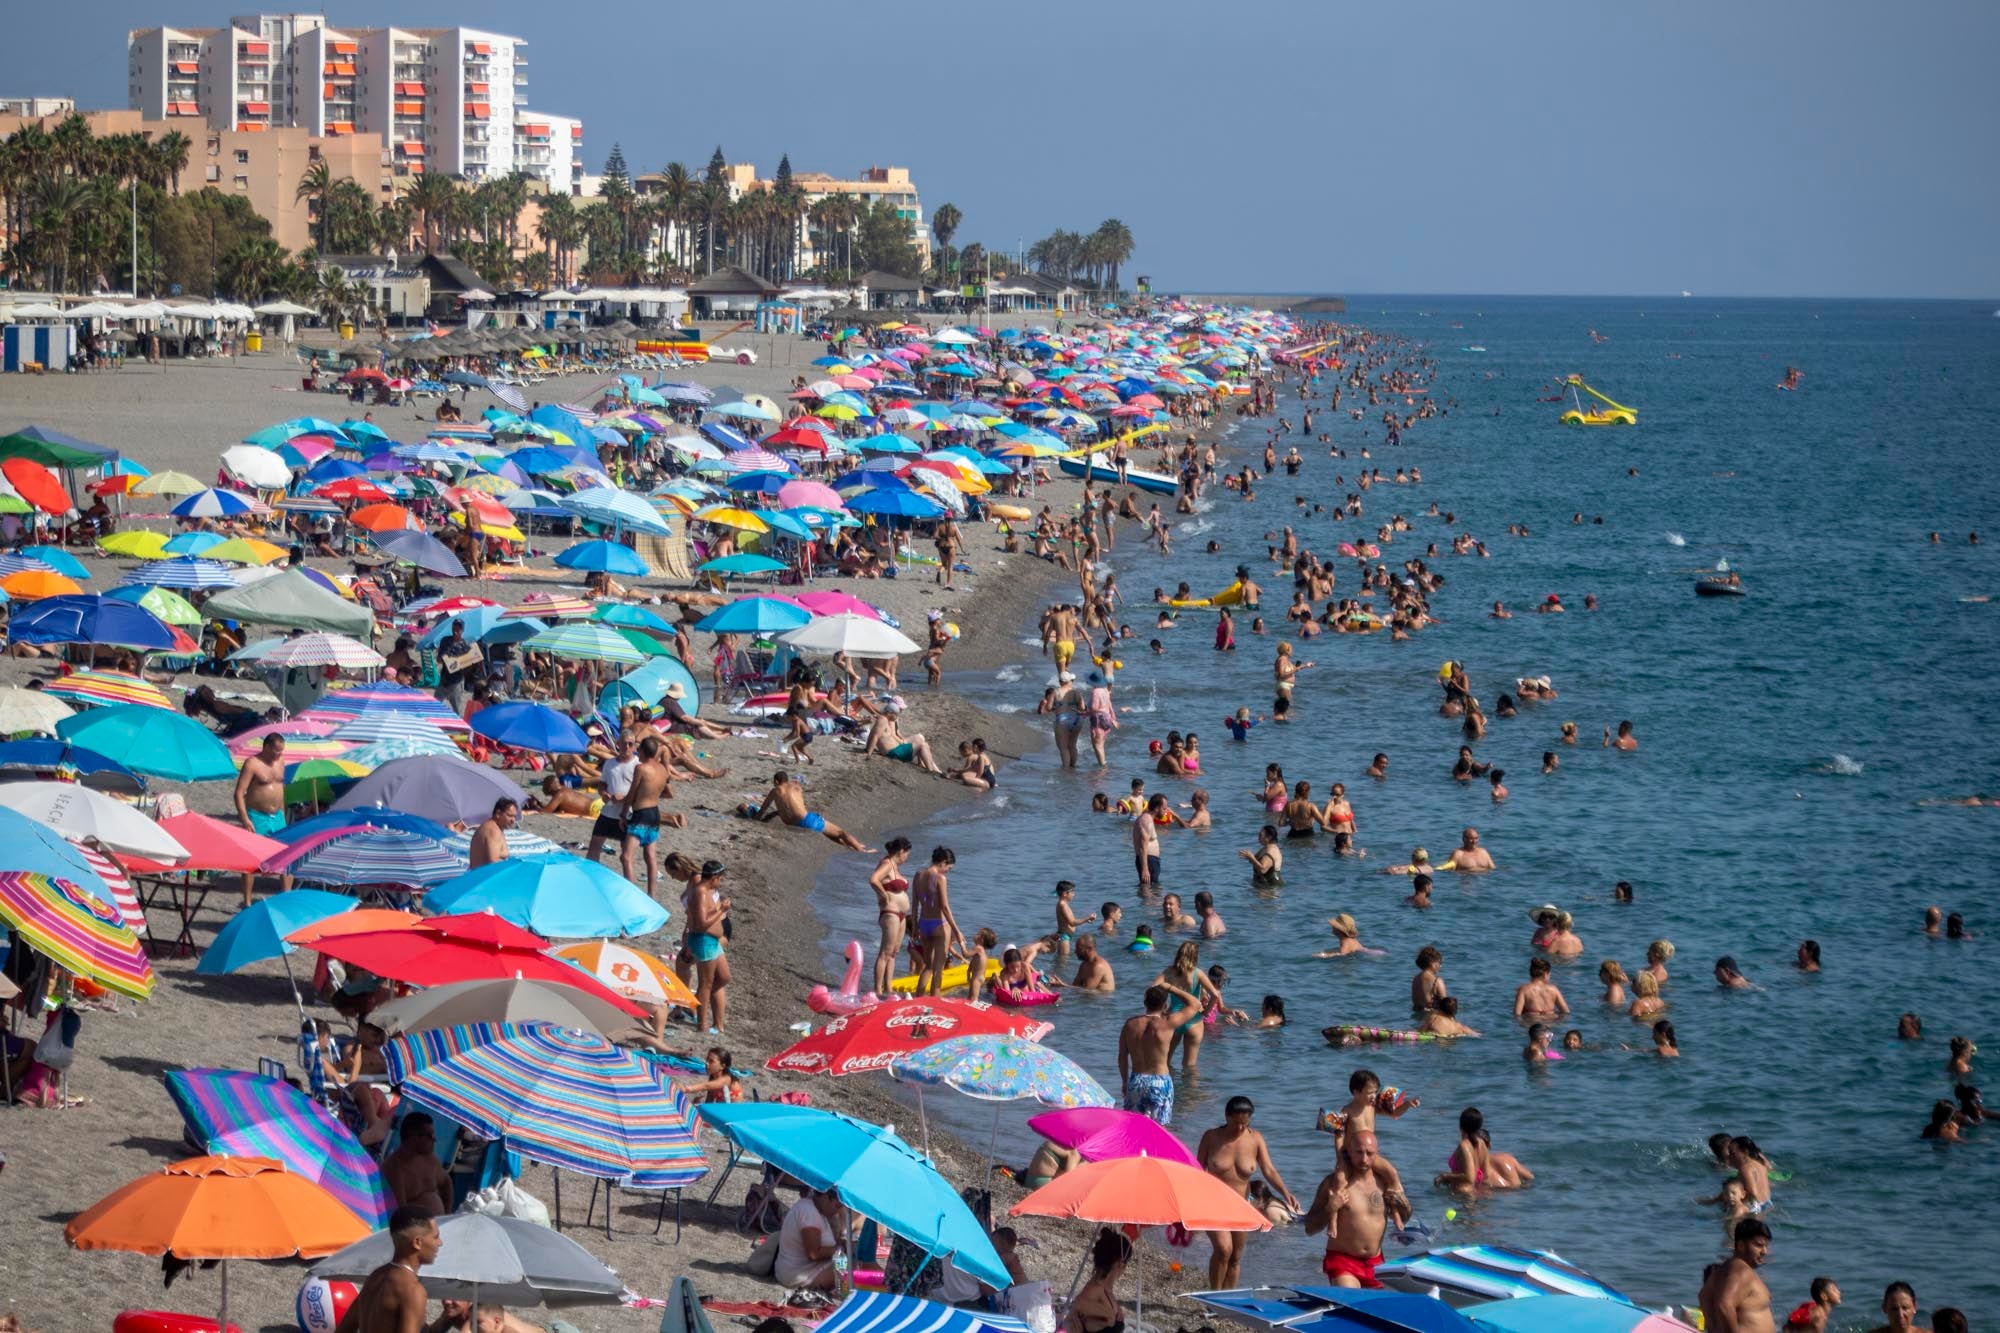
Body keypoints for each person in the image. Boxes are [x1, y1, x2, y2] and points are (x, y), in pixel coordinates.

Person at [1197, 1096, 1300, 1288]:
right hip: (1214, 1204)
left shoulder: (1255, 1139)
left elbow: (1269, 1170)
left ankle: (1227, 1300)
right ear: (1226, 1117)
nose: (1240, 1128)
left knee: (1235, 1257)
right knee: (1223, 1250)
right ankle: (1213, 1296)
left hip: (1242, 1205)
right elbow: (1198, 1168)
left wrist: (1286, 1193)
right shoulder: (1211, 1137)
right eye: (1236, 1122)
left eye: (1245, 1123)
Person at [1303, 1129, 1411, 1289]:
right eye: (1359, 1153)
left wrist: (1400, 1205)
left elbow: (1406, 1215)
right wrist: (1330, 1208)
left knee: (1377, 1310)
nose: (1364, 1159)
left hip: (1375, 1263)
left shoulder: (1384, 1183)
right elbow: (1309, 1228)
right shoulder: (1333, 1184)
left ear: (1377, 1154)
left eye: (1369, 1153)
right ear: (1349, 1153)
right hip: (1343, 1262)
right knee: (1351, 1302)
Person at [332, 1207, 440, 1333]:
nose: (440, 1243)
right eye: (435, 1237)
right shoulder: (413, 1291)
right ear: (417, 1242)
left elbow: (343, 1329)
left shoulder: (375, 1276)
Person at [755, 770, 872, 852]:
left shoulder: (774, 791)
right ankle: (860, 849)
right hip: (806, 820)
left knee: (830, 834)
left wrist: (757, 817)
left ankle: (853, 847)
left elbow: (762, 810)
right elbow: (798, 803)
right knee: (840, 832)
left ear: (776, 781)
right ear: (787, 780)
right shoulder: (796, 787)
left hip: (792, 823)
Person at [232, 732, 287, 907]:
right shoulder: (252, 764)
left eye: (281, 751)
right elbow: (239, 793)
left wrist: (284, 814)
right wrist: (245, 818)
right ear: (266, 747)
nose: (278, 755)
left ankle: (287, 898)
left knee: (287, 856)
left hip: (277, 816)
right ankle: (247, 902)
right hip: (257, 815)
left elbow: (281, 789)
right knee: (251, 859)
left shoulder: (281, 762)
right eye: (275, 751)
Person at [1118, 985, 1179, 1124]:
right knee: (1159, 1130)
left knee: (1133, 1127)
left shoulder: (1130, 1024)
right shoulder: (1167, 1024)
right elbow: (1195, 1004)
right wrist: (1170, 987)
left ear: (1145, 1003)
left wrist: (1125, 1082)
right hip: (1160, 1081)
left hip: (1137, 1080)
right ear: (1165, 1005)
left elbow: (1122, 1057)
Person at [685, 860, 731, 1034]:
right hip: (703, 940)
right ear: (714, 877)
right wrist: (722, 910)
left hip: (712, 941)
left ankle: (700, 1005)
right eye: (720, 878)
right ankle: (701, 1024)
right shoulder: (700, 892)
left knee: (724, 977)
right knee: (706, 984)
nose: (720, 881)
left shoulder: (710, 891)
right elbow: (700, 924)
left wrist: (720, 907)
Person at [775, 1185, 850, 1291]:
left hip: (800, 1270)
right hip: (797, 1275)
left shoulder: (815, 1209)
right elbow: (814, 1254)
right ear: (825, 1197)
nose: (837, 1211)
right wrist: (841, 1249)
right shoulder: (809, 1212)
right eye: (837, 1206)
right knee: (852, 1271)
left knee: (852, 1265)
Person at [912, 847, 964, 997]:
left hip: (924, 924)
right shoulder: (940, 878)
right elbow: (945, 907)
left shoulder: (918, 875)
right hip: (939, 925)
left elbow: (915, 904)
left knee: (928, 967)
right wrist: (956, 930)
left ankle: (918, 999)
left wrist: (915, 926)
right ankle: (936, 1002)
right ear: (943, 862)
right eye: (949, 867)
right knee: (938, 969)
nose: (948, 871)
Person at [380, 1114, 452, 1215]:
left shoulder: (429, 1159)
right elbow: (400, 1213)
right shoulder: (394, 1169)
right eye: (430, 1136)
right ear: (413, 1138)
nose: (434, 1139)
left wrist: (448, 1214)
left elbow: (446, 1182)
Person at [1063, 1229, 1131, 1333]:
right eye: (1126, 1264)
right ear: (1120, 1263)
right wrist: (1109, 1315)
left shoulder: (1105, 1288)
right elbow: (1079, 1304)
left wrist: (1114, 1310)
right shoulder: (1096, 1288)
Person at [585, 732, 638, 864]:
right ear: (618, 744)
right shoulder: (609, 763)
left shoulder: (638, 765)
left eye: (630, 744)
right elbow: (602, 783)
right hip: (607, 812)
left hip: (628, 814)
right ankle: (590, 875)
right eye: (624, 743)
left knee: (626, 854)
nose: (627, 746)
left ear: (635, 747)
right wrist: (603, 793)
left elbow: (641, 793)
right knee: (594, 845)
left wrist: (624, 799)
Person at [869, 839, 913, 996]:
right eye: (907, 853)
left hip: (901, 915)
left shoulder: (895, 867)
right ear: (901, 851)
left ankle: (888, 988)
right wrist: (883, 896)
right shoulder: (887, 864)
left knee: (894, 952)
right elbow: (873, 879)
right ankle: (878, 990)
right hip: (891, 913)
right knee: (885, 952)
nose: (907, 857)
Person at [469, 798, 517, 869]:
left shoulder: (489, 826)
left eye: (514, 816)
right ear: (498, 814)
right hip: (486, 877)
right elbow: (493, 863)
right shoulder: (493, 831)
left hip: (478, 875)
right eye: (509, 816)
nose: (513, 820)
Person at [1132, 794, 1166, 887]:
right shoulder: (1146, 820)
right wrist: (1145, 869)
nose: (1165, 812)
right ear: (1157, 808)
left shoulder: (1146, 818)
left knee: (1151, 890)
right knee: (1150, 890)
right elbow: (1143, 846)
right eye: (1164, 809)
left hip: (1150, 860)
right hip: (1148, 861)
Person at [1412, 946, 1448, 1011]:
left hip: (1418, 1019)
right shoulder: (1437, 981)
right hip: (1433, 1017)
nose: (1441, 966)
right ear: (1432, 963)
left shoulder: (1415, 979)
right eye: (1440, 963)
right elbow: (1446, 1007)